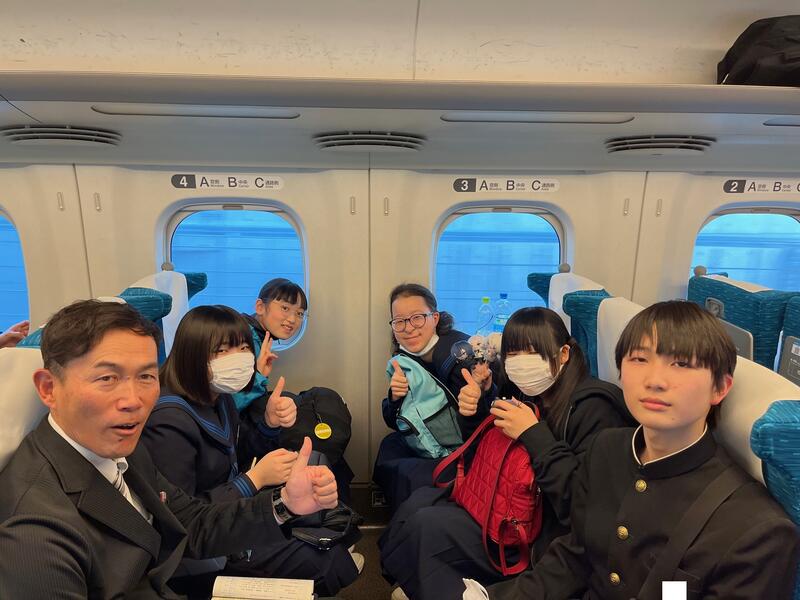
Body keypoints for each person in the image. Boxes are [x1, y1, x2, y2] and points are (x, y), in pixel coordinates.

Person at [0, 300, 338, 599]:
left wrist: (285, 503)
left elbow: (191, 522)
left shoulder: (119, 449)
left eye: (146, 376)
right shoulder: (35, 533)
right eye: (107, 378)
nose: (134, 401)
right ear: (49, 388)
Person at [487, 300, 800, 600]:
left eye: (681, 363)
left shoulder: (756, 530)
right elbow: (575, 557)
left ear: (720, 388)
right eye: (639, 359)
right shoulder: (606, 450)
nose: (654, 380)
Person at [380, 307, 631, 600]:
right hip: (505, 502)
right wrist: (475, 410)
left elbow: (581, 505)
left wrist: (533, 433)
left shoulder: (595, 409)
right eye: (512, 353)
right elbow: (490, 449)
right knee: (419, 504)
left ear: (563, 354)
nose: (521, 362)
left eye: (532, 352)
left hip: (539, 535)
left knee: (427, 527)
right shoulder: (526, 392)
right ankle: (416, 582)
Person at [141, 305, 361, 597]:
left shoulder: (219, 398)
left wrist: (268, 424)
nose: (238, 358)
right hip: (202, 549)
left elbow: (236, 452)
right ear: (192, 355)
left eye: (244, 348)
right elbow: (182, 520)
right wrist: (253, 480)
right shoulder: (167, 423)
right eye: (222, 350)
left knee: (322, 489)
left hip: (229, 506)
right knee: (328, 561)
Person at [373, 283, 495, 512]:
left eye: (417, 318)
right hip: (433, 439)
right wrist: (395, 397)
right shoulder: (404, 358)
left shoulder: (458, 355)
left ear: (435, 318)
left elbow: (481, 426)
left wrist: (478, 398)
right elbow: (396, 421)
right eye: (399, 321)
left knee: (409, 473)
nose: (409, 328)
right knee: (390, 446)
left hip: (465, 447)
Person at [234, 278, 355, 503]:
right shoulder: (242, 338)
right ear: (260, 306)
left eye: (299, 314)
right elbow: (230, 402)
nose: (292, 319)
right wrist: (259, 377)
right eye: (285, 308)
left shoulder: (258, 337)